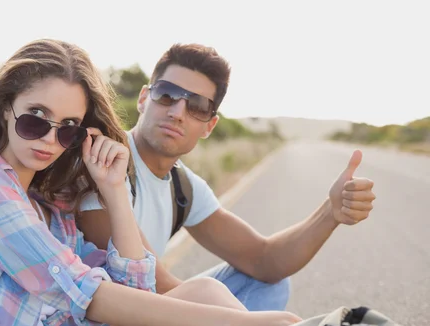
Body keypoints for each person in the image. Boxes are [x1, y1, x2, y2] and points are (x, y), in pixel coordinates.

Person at [0, 39, 301, 326]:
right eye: (36, 118)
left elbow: (135, 290)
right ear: (4, 109)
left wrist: (115, 190)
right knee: (209, 304)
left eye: (67, 128)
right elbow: (85, 293)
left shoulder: (55, 213)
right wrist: (239, 324)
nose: (49, 138)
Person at [78, 43, 376, 311]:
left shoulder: (184, 188)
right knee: (211, 301)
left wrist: (330, 213)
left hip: (149, 312)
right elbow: (150, 285)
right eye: (167, 94)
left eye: (197, 106)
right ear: (145, 98)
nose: (178, 112)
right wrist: (235, 323)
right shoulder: (106, 163)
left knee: (268, 281)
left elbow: (264, 260)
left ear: (209, 126)